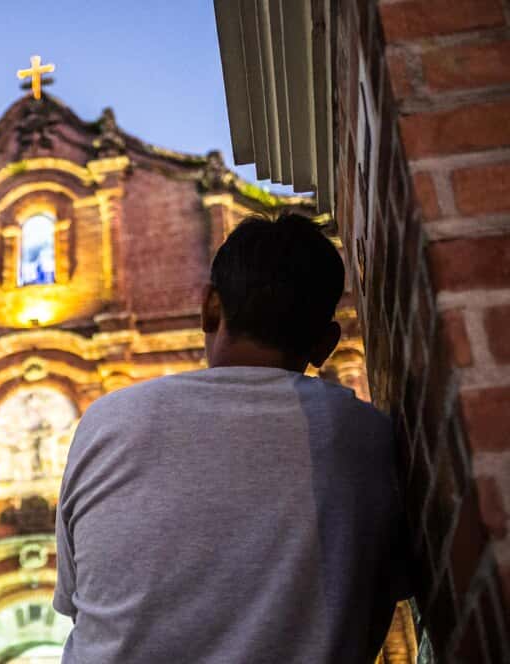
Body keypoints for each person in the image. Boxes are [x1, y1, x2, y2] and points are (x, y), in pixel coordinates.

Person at [54, 214, 411, 662]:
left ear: (209, 307)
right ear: (326, 345)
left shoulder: (107, 421)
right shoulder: (369, 438)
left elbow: (78, 603)